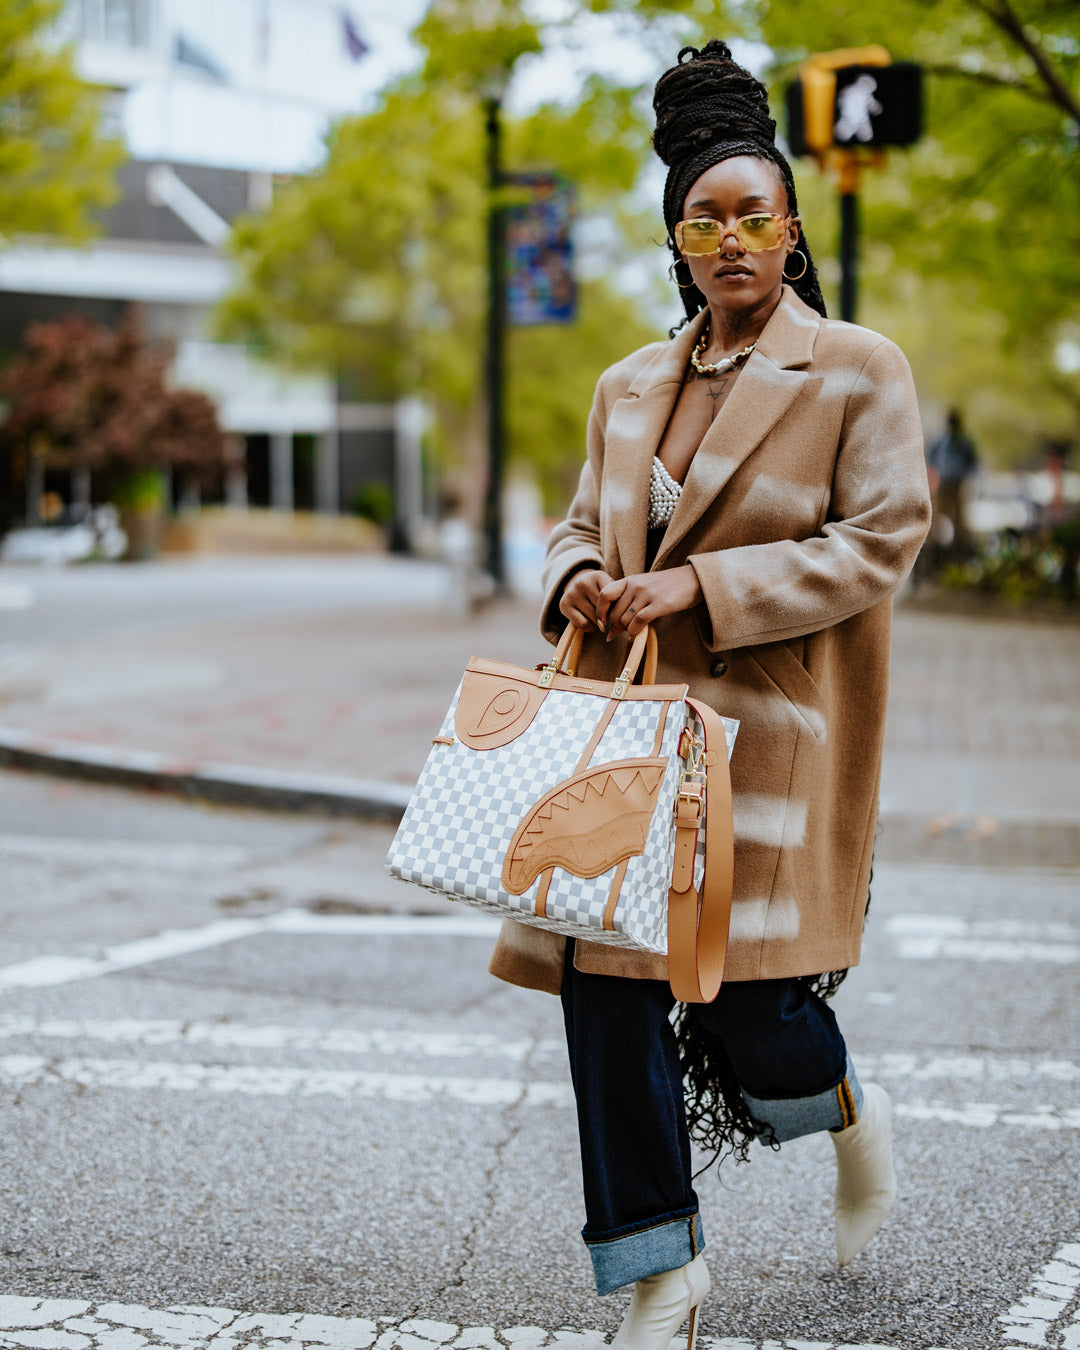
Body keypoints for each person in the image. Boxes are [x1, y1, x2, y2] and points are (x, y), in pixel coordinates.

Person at [487, 40, 932, 1349]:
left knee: (756, 1018)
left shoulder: (858, 368)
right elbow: (576, 524)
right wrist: (576, 578)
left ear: (789, 230)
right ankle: (661, 1276)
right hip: (626, 740)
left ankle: (845, 1104)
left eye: (755, 214)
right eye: (704, 218)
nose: (731, 238)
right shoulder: (627, 384)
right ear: (676, 237)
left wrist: (706, 589)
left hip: (774, 742)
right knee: (607, 990)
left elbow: (884, 538)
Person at [926, 408, 979, 554]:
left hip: (957, 485)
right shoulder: (940, 439)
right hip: (942, 485)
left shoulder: (964, 441)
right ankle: (932, 549)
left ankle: (959, 548)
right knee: (935, 518)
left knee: (959, 520)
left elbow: (973, 463)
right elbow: (930, 460)